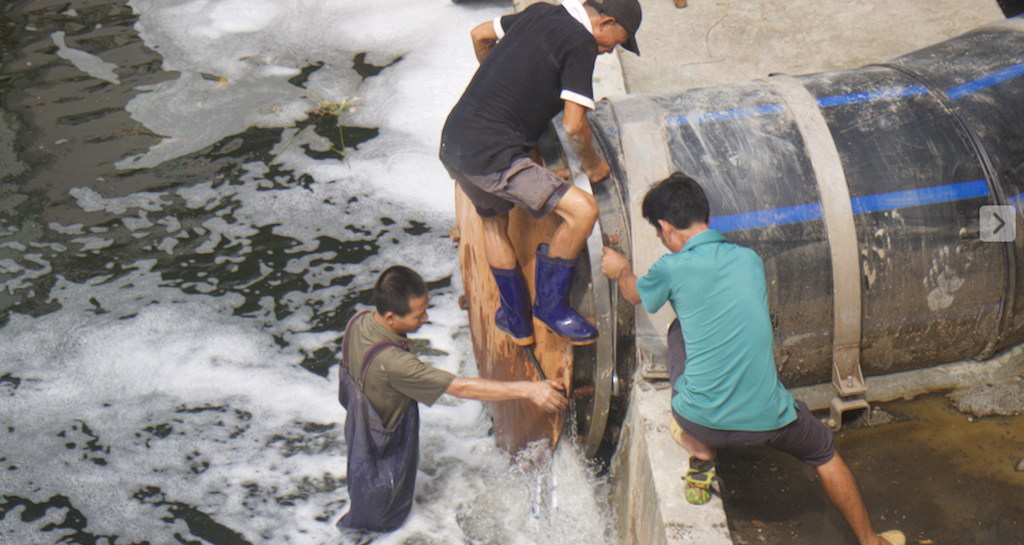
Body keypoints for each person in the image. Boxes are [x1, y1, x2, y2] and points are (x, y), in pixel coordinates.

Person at [599, 173, 906, 545]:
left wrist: (621, 271)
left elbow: (634, 294)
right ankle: (871, 540)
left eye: (659, 233)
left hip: (699, 419)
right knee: (825, 453)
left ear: (665, 228)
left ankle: (698, 448)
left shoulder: (671, 268)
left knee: (679, 329)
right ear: (705, 217)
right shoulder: (749, 261)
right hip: (769, 424)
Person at [440, 0, 642, 347]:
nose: (610, 51)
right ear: (606, 22)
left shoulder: (541, 11)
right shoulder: (582, 43)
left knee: (493, 222)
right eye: (616, 42)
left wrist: (505, 90)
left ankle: (516, 321)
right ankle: (550, 307)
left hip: (454, 143)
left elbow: (480, 34)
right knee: (583, 211)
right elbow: (575, 126)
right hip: (493, 155)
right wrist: (593, 163)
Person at [336, 265, 567, 532]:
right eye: (418, 314)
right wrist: (529, 389)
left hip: (359, 435)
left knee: (364, 503)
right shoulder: (395, 364)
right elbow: (461, 388)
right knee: (385, 521)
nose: (425, 317)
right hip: (385, 451)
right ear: (390, 317)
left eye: (426, 307)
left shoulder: (359, 321)